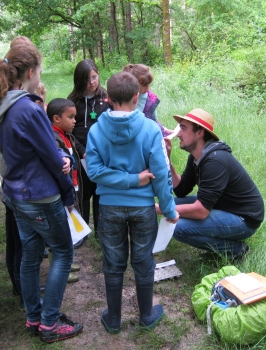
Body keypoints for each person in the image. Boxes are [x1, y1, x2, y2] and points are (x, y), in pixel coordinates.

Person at [0, 42, 83, 343]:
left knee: (30, 254)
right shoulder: (28, 108)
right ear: (30, 72)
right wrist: (66, 166)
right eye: (39, 70)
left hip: (15, 195)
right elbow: (53, 158)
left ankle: (33, 315)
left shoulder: (1, 105)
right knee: (63, 252)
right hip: (39, 196)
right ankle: (50, 323)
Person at [86, 72, 179, 334]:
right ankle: (146, 315)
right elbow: (160, 174)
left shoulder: (96, 130)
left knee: (113, 263)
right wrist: (169, 209)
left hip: (109, 208)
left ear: (107, 98)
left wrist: (126, 180)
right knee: (142, 260)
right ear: (137, 96)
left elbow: (93, 171)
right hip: (142, 208)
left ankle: (113, 319)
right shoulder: (150, 129)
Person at [160, 108, 264, 260]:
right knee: (171, 203)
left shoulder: (215, 161)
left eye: (183, 128)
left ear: (199, 132)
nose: (178, 134)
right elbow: (181, 190)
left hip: (243, 219)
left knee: (179, 227)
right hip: (221, 206)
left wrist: (159, 208)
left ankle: (236, 250)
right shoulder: (197, 156)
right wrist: (167, 161)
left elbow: (201, 211)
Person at [68, 59, 109, 241]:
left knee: (100, 192)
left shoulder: (106, 98)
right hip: (80, 154)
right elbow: (68, 131)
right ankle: (82, 232)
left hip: (102, 155)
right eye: (87, 79)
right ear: (79, 80)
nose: (91, 82)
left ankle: (101, 232)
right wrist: (81, 150)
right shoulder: (72, 101)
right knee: (82, 193)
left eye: (94, 77)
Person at [46, 98, 85, 283]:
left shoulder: (66, 135)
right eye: (70, 117)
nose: (74, 121)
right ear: (56, 118)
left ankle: (66, 263)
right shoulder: (53, 139)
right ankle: (60, 270)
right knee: (59, 233)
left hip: (71, 188)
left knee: (67, 229)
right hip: (61, 193)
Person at [122, 63, 170, 136]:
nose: (148, 88)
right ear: (133, 83)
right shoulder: (121, 98)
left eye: (149, 84)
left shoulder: (150, 99)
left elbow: (154, 121)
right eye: (144, 85)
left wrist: (165, 130)